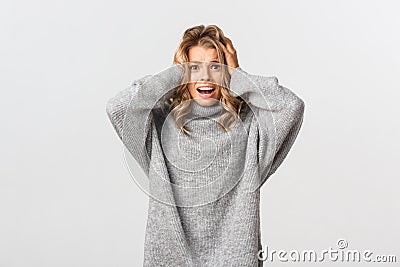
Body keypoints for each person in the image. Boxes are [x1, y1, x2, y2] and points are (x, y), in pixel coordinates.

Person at [106, 24, 305, 267]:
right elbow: (118, 107)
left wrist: (238, 74)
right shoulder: (159, 125)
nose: (205, 77)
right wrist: (174, 74)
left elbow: (292, 107)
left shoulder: (250, 127)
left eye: (214, 66)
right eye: (194, 68)